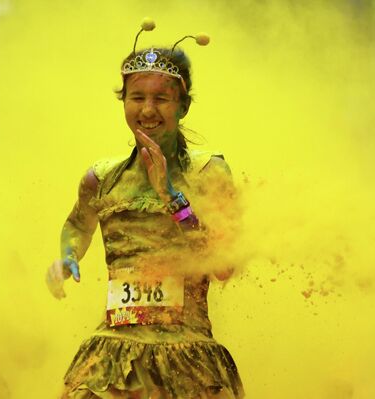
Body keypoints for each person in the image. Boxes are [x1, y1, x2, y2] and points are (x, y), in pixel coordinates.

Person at [47, 19, 244, 399]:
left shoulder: (209, 173)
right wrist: (67, 256)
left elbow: (223, 265)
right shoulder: (100, 178)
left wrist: (173, 198)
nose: (148, 110)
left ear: (182, 107)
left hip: (188, 354)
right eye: (137, 97)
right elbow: (77, 225)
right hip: (112, 356)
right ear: (124, 102)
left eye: (161, 99)